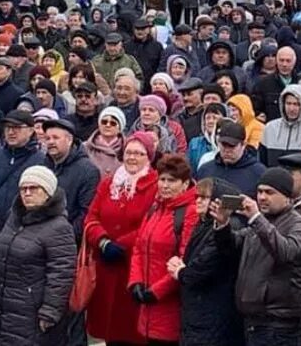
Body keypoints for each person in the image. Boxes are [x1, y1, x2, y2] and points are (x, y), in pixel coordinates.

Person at [209, 167, 301, 346]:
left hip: (278, 326)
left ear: (287, 196)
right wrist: (223, 224)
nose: (262, 197)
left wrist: (256, 218)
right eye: (259, 191)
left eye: (269, 192)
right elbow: (232, 247)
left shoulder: (298, 226)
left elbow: (286, 252)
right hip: (253, 322)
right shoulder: (260, 223)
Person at [0, 165, 76, 346]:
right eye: (23, 189)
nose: (27, 193)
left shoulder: (59, 227)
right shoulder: (13, 218)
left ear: (48, 192)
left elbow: (61, 275)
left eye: (33, 188)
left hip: (31, 311)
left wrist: (50, 312)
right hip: (2, 307)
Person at [83, 132, 159, 345]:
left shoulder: (155, 186)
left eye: (138, 153)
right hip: (105, 266)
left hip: (134, 269)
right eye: (128, 152)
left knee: (132, 332)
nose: (132, 158)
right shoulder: (108, 184)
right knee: (108, 332)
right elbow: (91, 217)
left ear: (149, 157)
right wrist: (103, 241)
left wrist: (122, 245)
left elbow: (151, 223)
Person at [128, 153, 199, 345]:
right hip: (147, 305)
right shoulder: (155, 208)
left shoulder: (190, 213)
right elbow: (138, 248)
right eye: (162, 179)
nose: (165, 185)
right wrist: (135, 281)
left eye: (172, 180)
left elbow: (186, 258)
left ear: (185, 184)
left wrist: (157, 291)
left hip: (172, 305)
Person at [167, 176, 244, 346]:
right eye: (197, 197)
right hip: (198, 311)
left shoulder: (226, 228)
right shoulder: (203, 224)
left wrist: (181, 271)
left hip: (214, 312)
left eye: (204, 197)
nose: (198, 201)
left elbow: (204, 265)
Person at [0, 110, 47, 222]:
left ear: (31, 130)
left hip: (23, 223)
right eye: (7, 127)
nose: (11, 132)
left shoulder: (42, 161)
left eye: (17, 127)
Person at [42, 117, 100, 236]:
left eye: (56, 138)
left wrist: (63, 238)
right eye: (47, 138)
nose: (51, 142)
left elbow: (85, 213)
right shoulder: (42, 166)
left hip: (65, 239)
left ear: (69, 140)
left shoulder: (88, 171)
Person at [259, 85, 301, 166]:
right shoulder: (270, 128)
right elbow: (262, 161)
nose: (291, 109)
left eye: (296, 104)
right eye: (288, 103)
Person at [195, 118, 267, 196]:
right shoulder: (205, 170)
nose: (227, 150)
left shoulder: (258, 173)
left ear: (243, 145)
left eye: (232, 146)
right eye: (224, 145)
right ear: (218, 143)